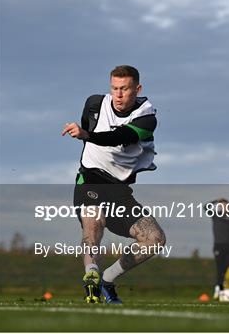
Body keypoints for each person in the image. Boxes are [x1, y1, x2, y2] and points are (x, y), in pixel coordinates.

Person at [62, 65, 166, 304]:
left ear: (137, 89)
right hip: (90, 180)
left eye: (125, 89)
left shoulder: (147, 118)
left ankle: (107, 280)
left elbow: (118, 138)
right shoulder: (94, 104)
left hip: (119, 191)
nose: (118, 95)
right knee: (94, 222)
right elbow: (87, 132)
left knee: (155, 239)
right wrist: (85, 135)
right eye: (114, 88)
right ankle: (91, 277)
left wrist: (87, 135)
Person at [211, 199, 229, 299]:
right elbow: (206, 207)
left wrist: (228, 203)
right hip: (219, 246)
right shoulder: (216, 215)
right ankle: (218, 289)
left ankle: (227, 290)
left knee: (228, 268)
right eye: (222, 206)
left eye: (226, 206)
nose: (224, 207)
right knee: (219, 268)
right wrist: (217, 201)